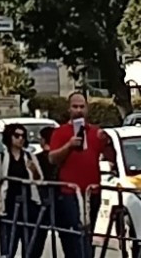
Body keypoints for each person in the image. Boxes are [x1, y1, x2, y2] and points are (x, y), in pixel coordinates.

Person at [44, 91, 110, 258]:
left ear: (87, 109)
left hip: (92, 191)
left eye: (82, 106)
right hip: (70, 192)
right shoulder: (60, 132)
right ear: (69, 109)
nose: (79, 110)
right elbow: (52, 158)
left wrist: (107, 141)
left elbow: (111, 157)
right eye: (75, 106)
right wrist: (69, 145)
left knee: (89, 232)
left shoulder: (95, 132)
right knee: (75, 231)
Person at [0, 123, 51, 258]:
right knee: (9, 243)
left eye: (23, 136)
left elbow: (40, 179)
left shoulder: (29, 157)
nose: (20, 139)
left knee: (29, 243)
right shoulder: (2, 158)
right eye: (17, 135)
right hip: (9, 204)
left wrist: (33, 169)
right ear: (9, 137)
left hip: (29, 203)